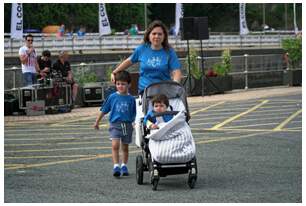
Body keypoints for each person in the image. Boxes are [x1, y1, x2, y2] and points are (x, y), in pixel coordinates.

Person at [111, 20, 182, 95]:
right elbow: (129, 61)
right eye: (154, 34)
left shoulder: (169, 52)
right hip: (145, 92)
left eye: (160, 34)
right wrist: (114, 72)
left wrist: (175, 87)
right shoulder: (141, 49)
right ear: (149, 35)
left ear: (164, 36)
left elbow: (176, 71)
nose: (157, 36)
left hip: (163, 93)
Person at [93, 71, 136, 177]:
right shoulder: (112, 97)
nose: (120, 86)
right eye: (118, 84)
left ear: (129, 85)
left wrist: (135, 123)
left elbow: (134, 113)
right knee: (115, 145)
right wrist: (97, 121)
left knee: (125, 147)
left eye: (123, 84)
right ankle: (116, 166)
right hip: (115, 124)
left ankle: (124, 165)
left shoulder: (131, 99)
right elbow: (104, 110)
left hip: (127, 125)